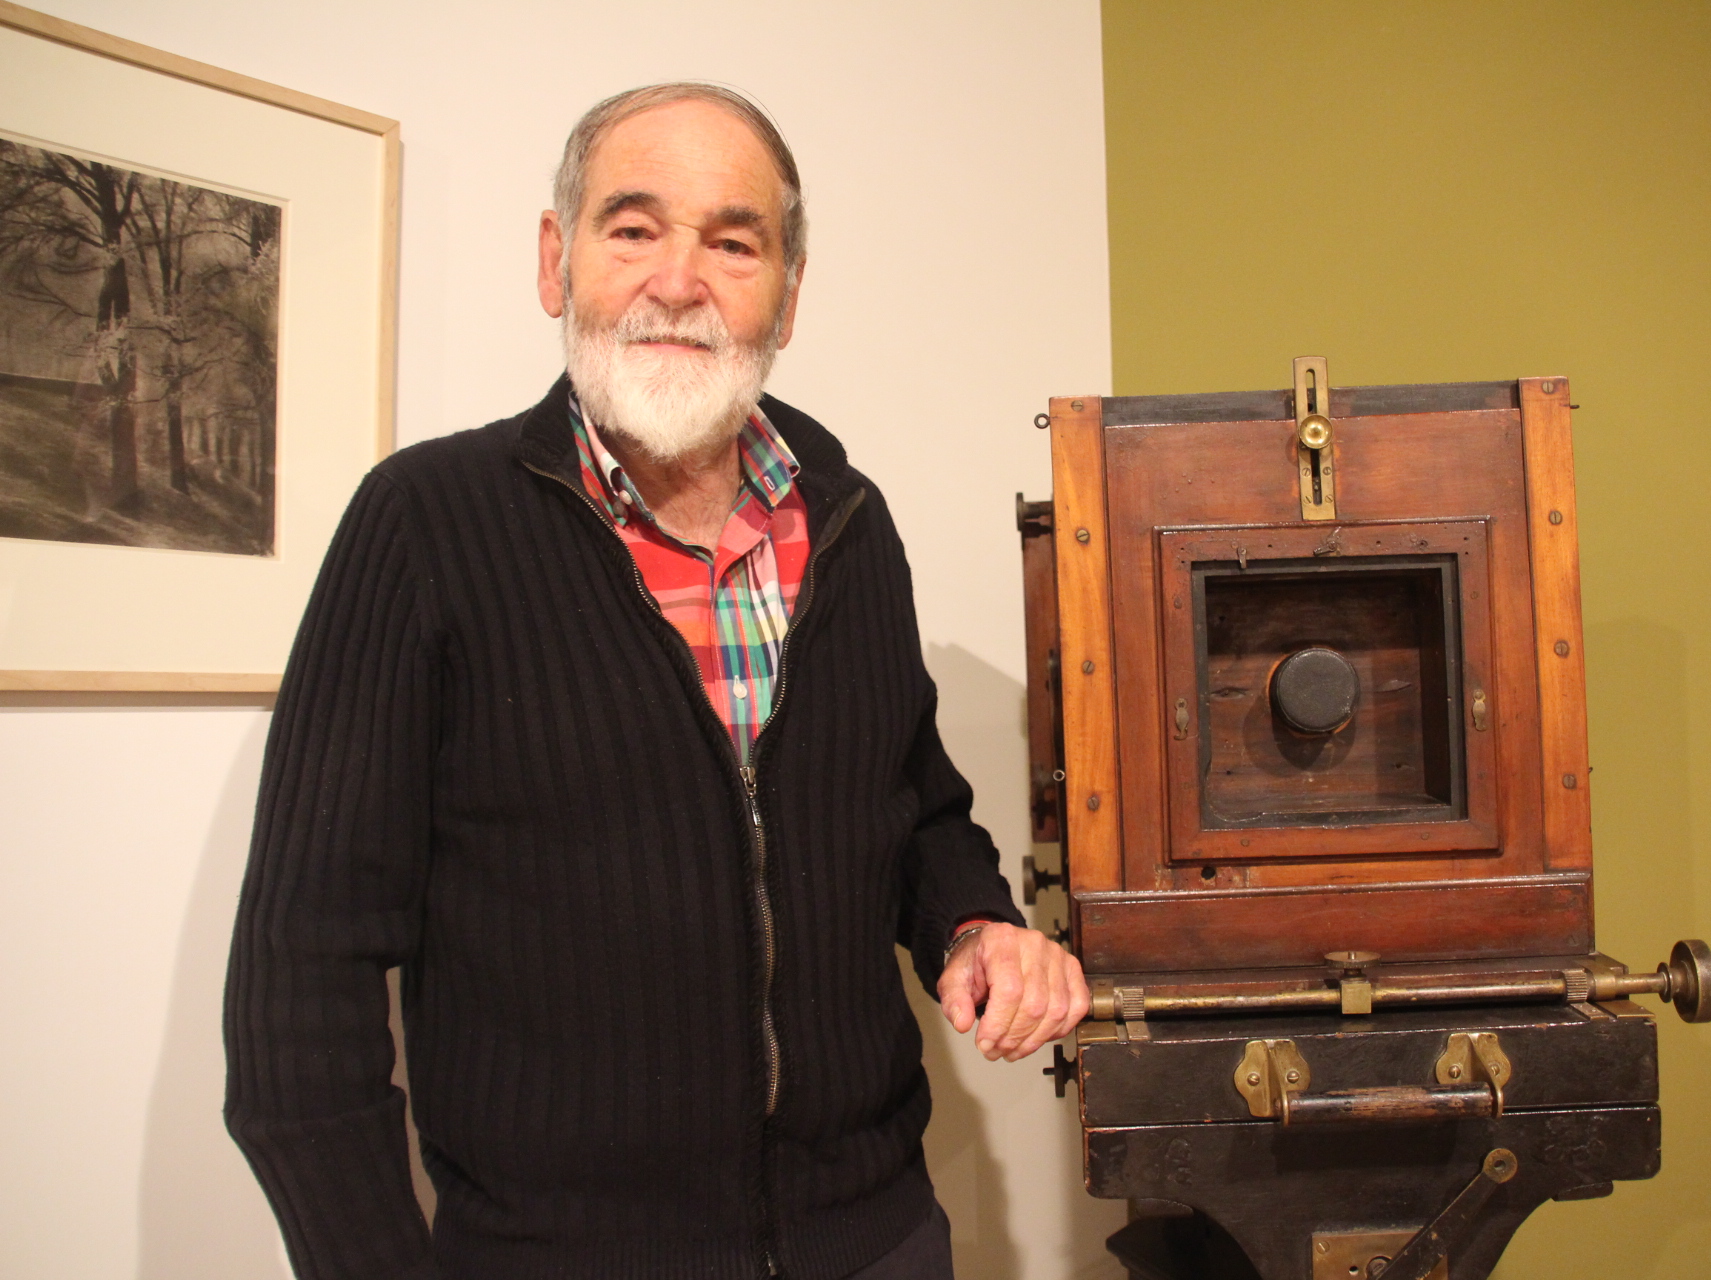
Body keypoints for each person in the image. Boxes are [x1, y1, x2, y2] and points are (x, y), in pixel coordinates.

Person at [224, 83, 1089, 1280]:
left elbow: (914, 806)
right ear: (556, 259)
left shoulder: (850, 521)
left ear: (788, 294)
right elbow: (298, 989)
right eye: (632, 229)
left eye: (734, 243)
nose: (679, 281)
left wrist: (976, 921)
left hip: (878, 1239)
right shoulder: (422, 526)